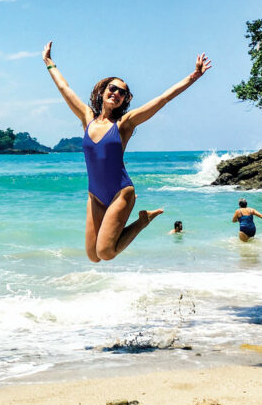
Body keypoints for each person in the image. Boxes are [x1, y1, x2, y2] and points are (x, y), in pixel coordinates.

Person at [43, 41, 211, 261]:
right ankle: (139, 220)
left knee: (106, 252)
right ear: (102, 91)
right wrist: (48, 62)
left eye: (122, 92)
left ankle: (142, 221)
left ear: (124, 99)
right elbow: (65, 88)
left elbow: (163, 99)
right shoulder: (87, 118)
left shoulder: (124, 123)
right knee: (93, 256)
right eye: (113, 88)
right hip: (94, 195)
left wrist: (194, 76)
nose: (117, 93)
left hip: (121, 192)